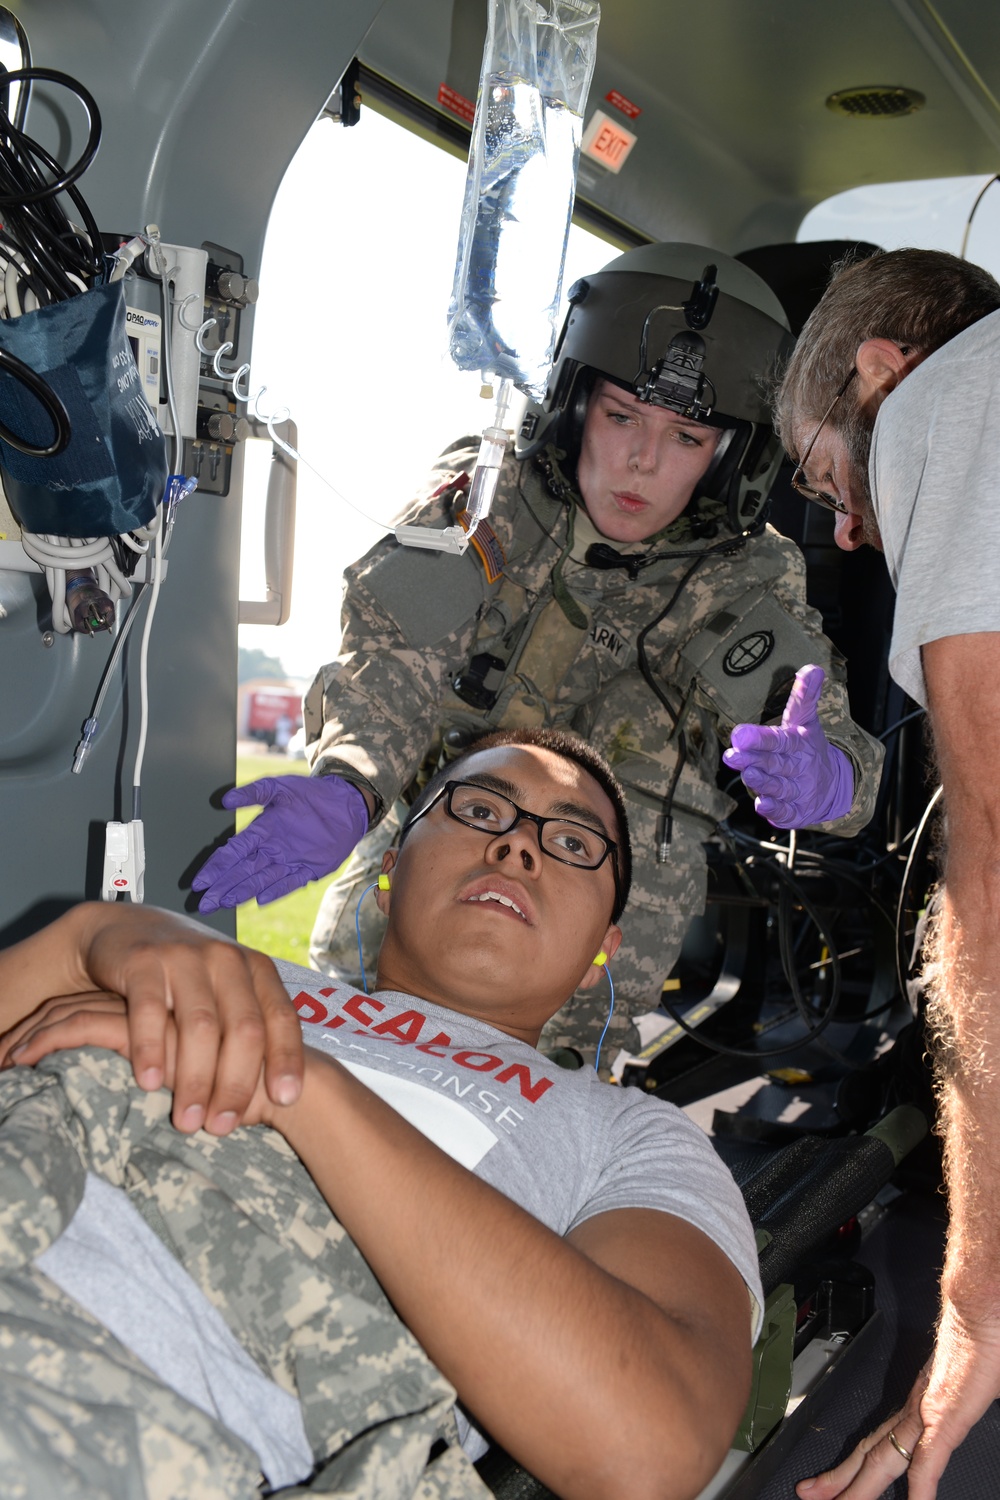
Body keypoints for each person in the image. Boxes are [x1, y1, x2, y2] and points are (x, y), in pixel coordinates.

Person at [0, 727, 763, 1500]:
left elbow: (650, 1442)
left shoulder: (627, 1135)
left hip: (131, 1397)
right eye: (479, 809)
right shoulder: (226, 970)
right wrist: (82, 940)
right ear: (391, 865)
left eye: (572, 842)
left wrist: (303, 1090)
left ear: (606, 946)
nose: (517, 849)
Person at [193, 242, 884, 1067]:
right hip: (405, 915)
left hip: (582, 984)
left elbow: (834, 747)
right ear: (574, 403)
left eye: (687, 437)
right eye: (621, 417)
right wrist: (349, 781)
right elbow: (394, 652)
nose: (642, 462)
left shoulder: (745, 573)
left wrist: (830, 777)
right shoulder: (490, 493)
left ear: (731, 458)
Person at [746, 246, 1000, 1500]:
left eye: (829, 471)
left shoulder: (957, 404)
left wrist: (974, 1302)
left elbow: (994, 856)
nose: (847, 523)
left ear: (880, 373)